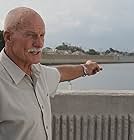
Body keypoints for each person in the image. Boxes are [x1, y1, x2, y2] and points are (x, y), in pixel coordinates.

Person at [0, 7, 102, 140]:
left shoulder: (38, 72)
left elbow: (61, 73)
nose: (39, 43)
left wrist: (85, 68)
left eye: (42, 35)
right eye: (31, 35)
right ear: (8, 37)